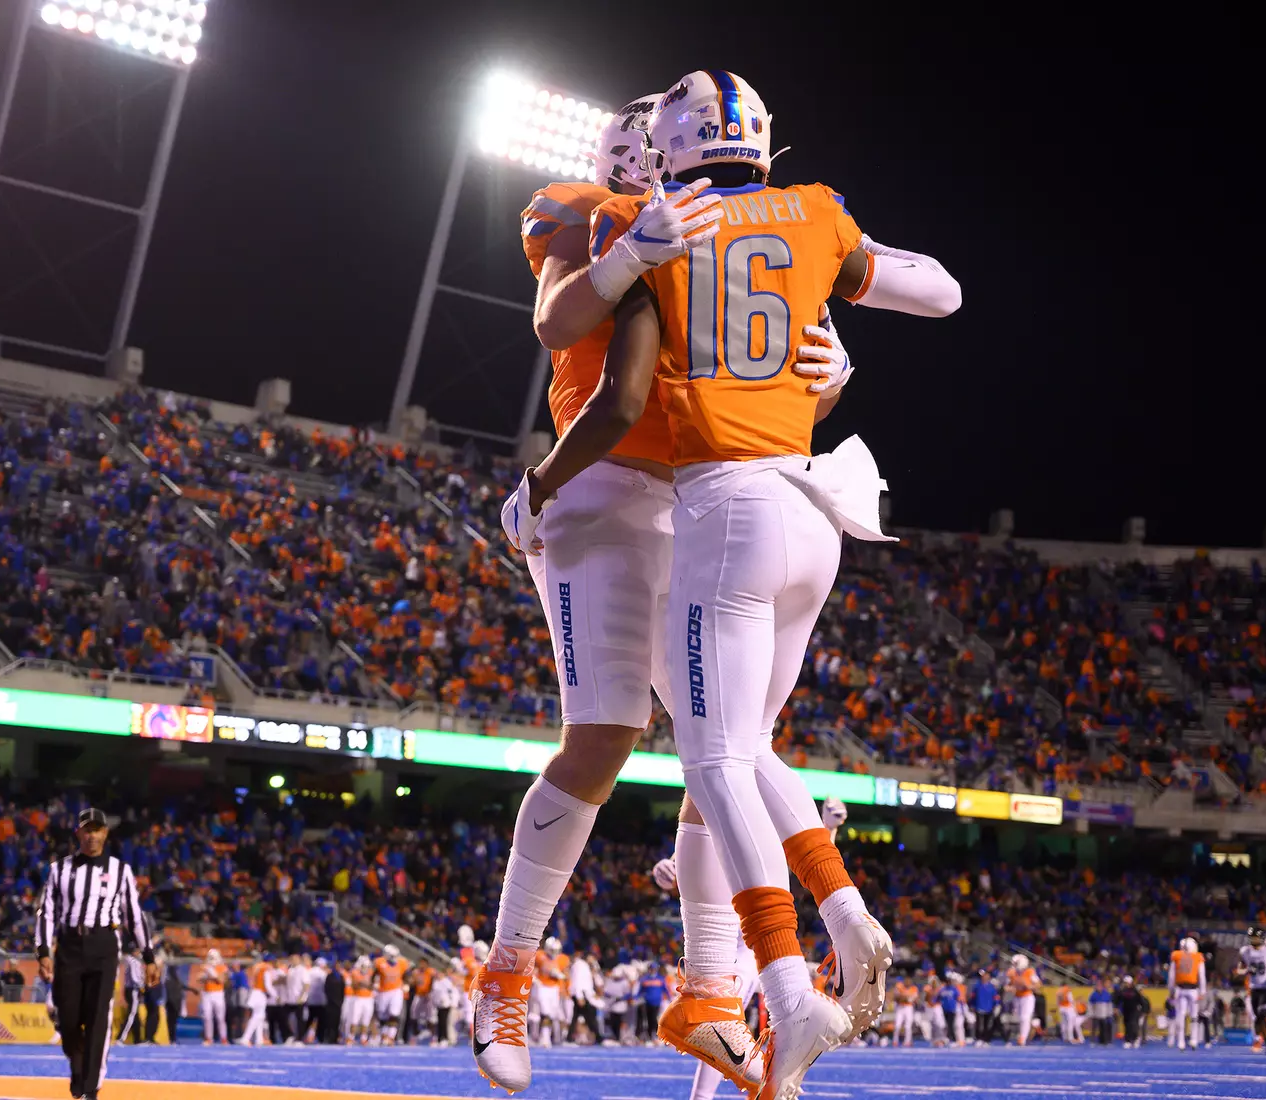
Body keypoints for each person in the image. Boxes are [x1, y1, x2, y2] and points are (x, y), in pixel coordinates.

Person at [526, 68, 960, 1099]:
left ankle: (793, 974)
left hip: (726, 509)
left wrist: (539, 484)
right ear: (765, 141)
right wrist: (831, 344)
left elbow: (590, 359)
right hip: (821, 507)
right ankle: (818, 938)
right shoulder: (814, 213)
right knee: (746, 747)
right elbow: (941, 289)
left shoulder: (657, 227)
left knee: (712, 754)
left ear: (670, 149)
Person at [474, 96, 764, 1098]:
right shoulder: (585, 210)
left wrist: (829, 375)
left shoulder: (724, 236)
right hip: (597, 485)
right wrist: (627, 252)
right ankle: (505, 971)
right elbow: (558, 319)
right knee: (604, 731)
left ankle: (713, 993)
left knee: (723, 745)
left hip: (697, 495)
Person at [33, 807, 157, 1100]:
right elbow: (46, 912)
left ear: (105, 833)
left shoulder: (120, 871)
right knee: (67, 1014)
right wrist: (43, 951)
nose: (92, 836)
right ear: (78, 833)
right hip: (70, 946)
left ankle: (91, 1087)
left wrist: (149, 955)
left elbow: (134, 915)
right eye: (87, 830)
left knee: (99, 1016)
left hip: (104, 944)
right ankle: (77, 1064)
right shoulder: (59, 870)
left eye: (97, 830)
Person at [1237, 925, 1266, 1052]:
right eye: (1252, 938)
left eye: (1256, 938)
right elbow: (1239, 969)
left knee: (1264, 1014)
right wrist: (1246, 970)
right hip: (1254, 987)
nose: (1253, 940)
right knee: (1258, 1018)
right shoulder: (1245, 951)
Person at [1167, 937, 1205, 1051]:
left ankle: (1181, 1042)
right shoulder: (1198, 957)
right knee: (1194, 1016)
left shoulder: (1176, 956)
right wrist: (1202, 991)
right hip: (1193, 990)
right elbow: (1201, 975)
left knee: (1181, 1015)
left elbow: (1171, 976)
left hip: (1180, 989)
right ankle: (1193, 1040)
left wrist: (1171, 991)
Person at [372, 944, 409, 1045]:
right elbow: (374, 974)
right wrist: (374, 983)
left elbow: (406, 975)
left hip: (396, 991)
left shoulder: (402, 962)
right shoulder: (379, 962)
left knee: (394, 1013)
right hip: (383, 991)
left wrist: (406, 984)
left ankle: (391, 1037)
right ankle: (384, 1035)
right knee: (383, 1015)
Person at [194, 947, 229, 1044]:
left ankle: (223, 1038)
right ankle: (209, 1038)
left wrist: (210, 972)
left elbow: (221, 980)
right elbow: (198, 978)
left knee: (220, 1018)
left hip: (218, 994)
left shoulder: (221, 967)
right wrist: (206, 976)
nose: (211, 959)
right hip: (207, 993)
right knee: (207, 1017)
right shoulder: (206, 967)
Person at [1007, 955, 1041, 1046]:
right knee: (1019, 1018)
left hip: (1027, 997)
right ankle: (1033, 1023)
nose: (1013, 965)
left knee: (1024, 1018)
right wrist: (1010, 988)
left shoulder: (1030, 971)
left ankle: (1022, 1038)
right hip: (1017, 997)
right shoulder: (1012, 972)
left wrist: (1030, 987)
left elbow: (1038, 984)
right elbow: (1007, 985)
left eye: (1015, 963)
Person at [1116, 975, 1148, 1048]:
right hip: (1125, 1011)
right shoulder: (1122, 991)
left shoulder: (1135, 991)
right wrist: (1116, 1007)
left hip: (1134, 1011)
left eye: (1127, 982)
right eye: (1125, 982)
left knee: (1133, 1025)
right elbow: (1117, 1000)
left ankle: (1135, 1039)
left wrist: (1144, 1010)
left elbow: (1141, 1001)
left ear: (1130, 983)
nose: (1126, 984)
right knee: (1126, 1026)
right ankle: (1127, 1041)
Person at [971, 970, 999, 1045]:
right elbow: (973, 997)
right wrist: (972, 1006)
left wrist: (996, 1005)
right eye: (983, 976)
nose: (984, 977)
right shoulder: (977, 986)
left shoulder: (992, 987)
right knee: (979, 1025)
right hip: (979, 1008)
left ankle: (987, 1040)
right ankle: (979, 1039)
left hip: (989, 1008)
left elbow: (995, 997)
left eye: (986, 975)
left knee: (988, 1025)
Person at [1088, 979, 1115, 1045]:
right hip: (1096, 1014)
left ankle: (1104, 1041)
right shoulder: (1093, 994)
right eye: (1097, 986)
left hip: (1104, 1014)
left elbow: (1109, 1005)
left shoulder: (1107, 994)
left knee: (1104, 1028)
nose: (1099, 987)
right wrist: (1091, 1013)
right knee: (1094, 1028)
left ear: (1102, 987)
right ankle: (1092, 1041)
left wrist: (1109, 1013)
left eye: (1100, 986)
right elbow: (1090, 1005)